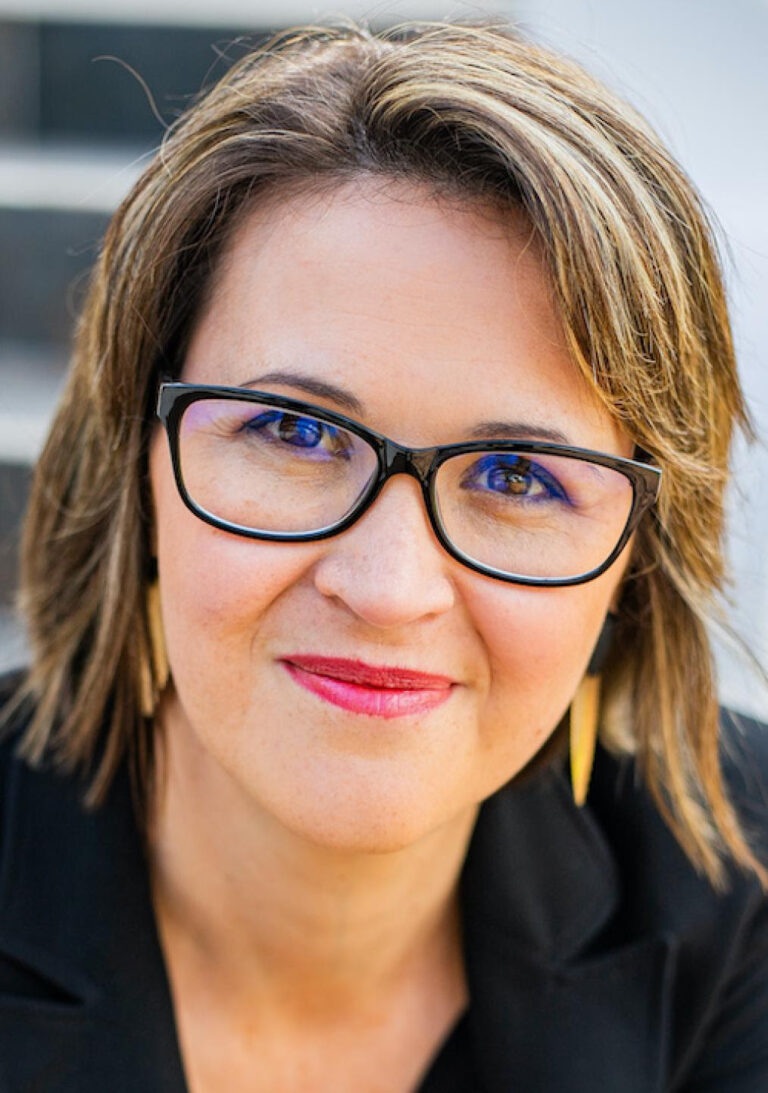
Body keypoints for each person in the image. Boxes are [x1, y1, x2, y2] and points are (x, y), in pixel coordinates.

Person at [1, 18, 767, 1093]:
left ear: (633, 563)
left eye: (518, 476)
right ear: (141, 462)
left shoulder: (744, 887)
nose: (387, 589)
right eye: (293, 431)